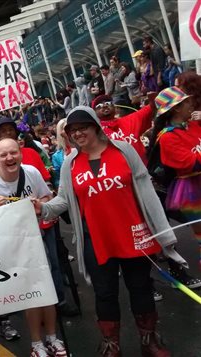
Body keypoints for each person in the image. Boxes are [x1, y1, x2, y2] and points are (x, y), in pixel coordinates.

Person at [34, 106, 186, 356]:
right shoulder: (70, 163)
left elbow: (145, 187)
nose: (78, 133)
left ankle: (149, 341)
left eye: (83, 127)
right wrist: (43, 208)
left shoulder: (123, 150)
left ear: (95, 125)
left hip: (134, 233)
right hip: (96, 238)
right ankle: (111, 345)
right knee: (104, 293)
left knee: (141, 288)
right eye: (73, 130)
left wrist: (161, 229)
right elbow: (64, 199)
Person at [0, 139, 66, 357]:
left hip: (35, 239)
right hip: (8, 247)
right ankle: (36, 344)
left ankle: (52, 338)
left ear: (20, 154)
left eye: (13, 153)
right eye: (3, 155)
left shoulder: (31, 172)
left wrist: (37, 203)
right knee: (30, 293)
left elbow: (47, 197)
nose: (9, 158)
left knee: (47, 288)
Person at [150, 87, 201, 271]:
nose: (191, 104)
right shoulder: (167, 137)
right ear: (177, 108)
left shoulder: (194, 125)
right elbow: (189, 163)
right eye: (187, 101)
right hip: (192, 189)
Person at [90, 94, 155, 163]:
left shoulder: (131, 120)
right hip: (117, 171)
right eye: (99, 106)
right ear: (94, 112)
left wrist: (153, 96)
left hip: (143, 169)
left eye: (108, 103)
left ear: (115, 107)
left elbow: (153, 106)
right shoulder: (94, 133)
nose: (105, 106)